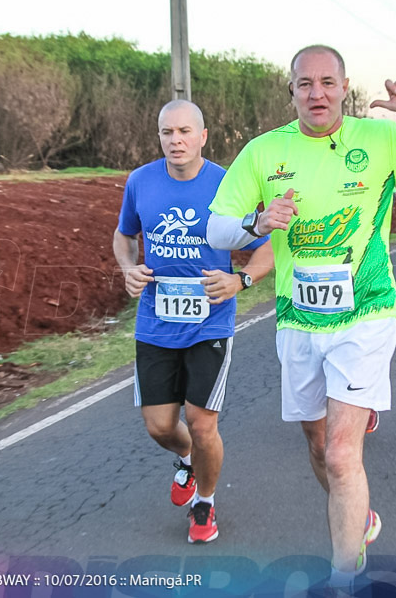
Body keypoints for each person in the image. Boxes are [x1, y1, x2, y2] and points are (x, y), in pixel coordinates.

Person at [205, 45, 396, 588]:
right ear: (292, 92)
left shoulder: (378, 138)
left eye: (328, 83)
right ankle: (359, 519)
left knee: (339, 450)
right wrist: (257, 223)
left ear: (345, 87)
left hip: (367, 312)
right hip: (298, 318)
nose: (317, 94)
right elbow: (217, 230)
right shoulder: (263, 152)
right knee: (316, 441)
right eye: (305, 84)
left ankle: (344, 574)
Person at [112, 100, 274, 544]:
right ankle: (187, 459)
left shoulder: (228, 184)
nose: (175, 140)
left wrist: (240, 279)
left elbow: (269, 245)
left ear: (203, 136)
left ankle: (205, 501)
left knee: (203, 424)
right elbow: (124, 235)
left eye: (185, 131)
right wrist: (128, 267)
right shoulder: (141, 182)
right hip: (156, 321)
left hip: (210, 322)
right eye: (167, 132)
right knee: (160, 425)